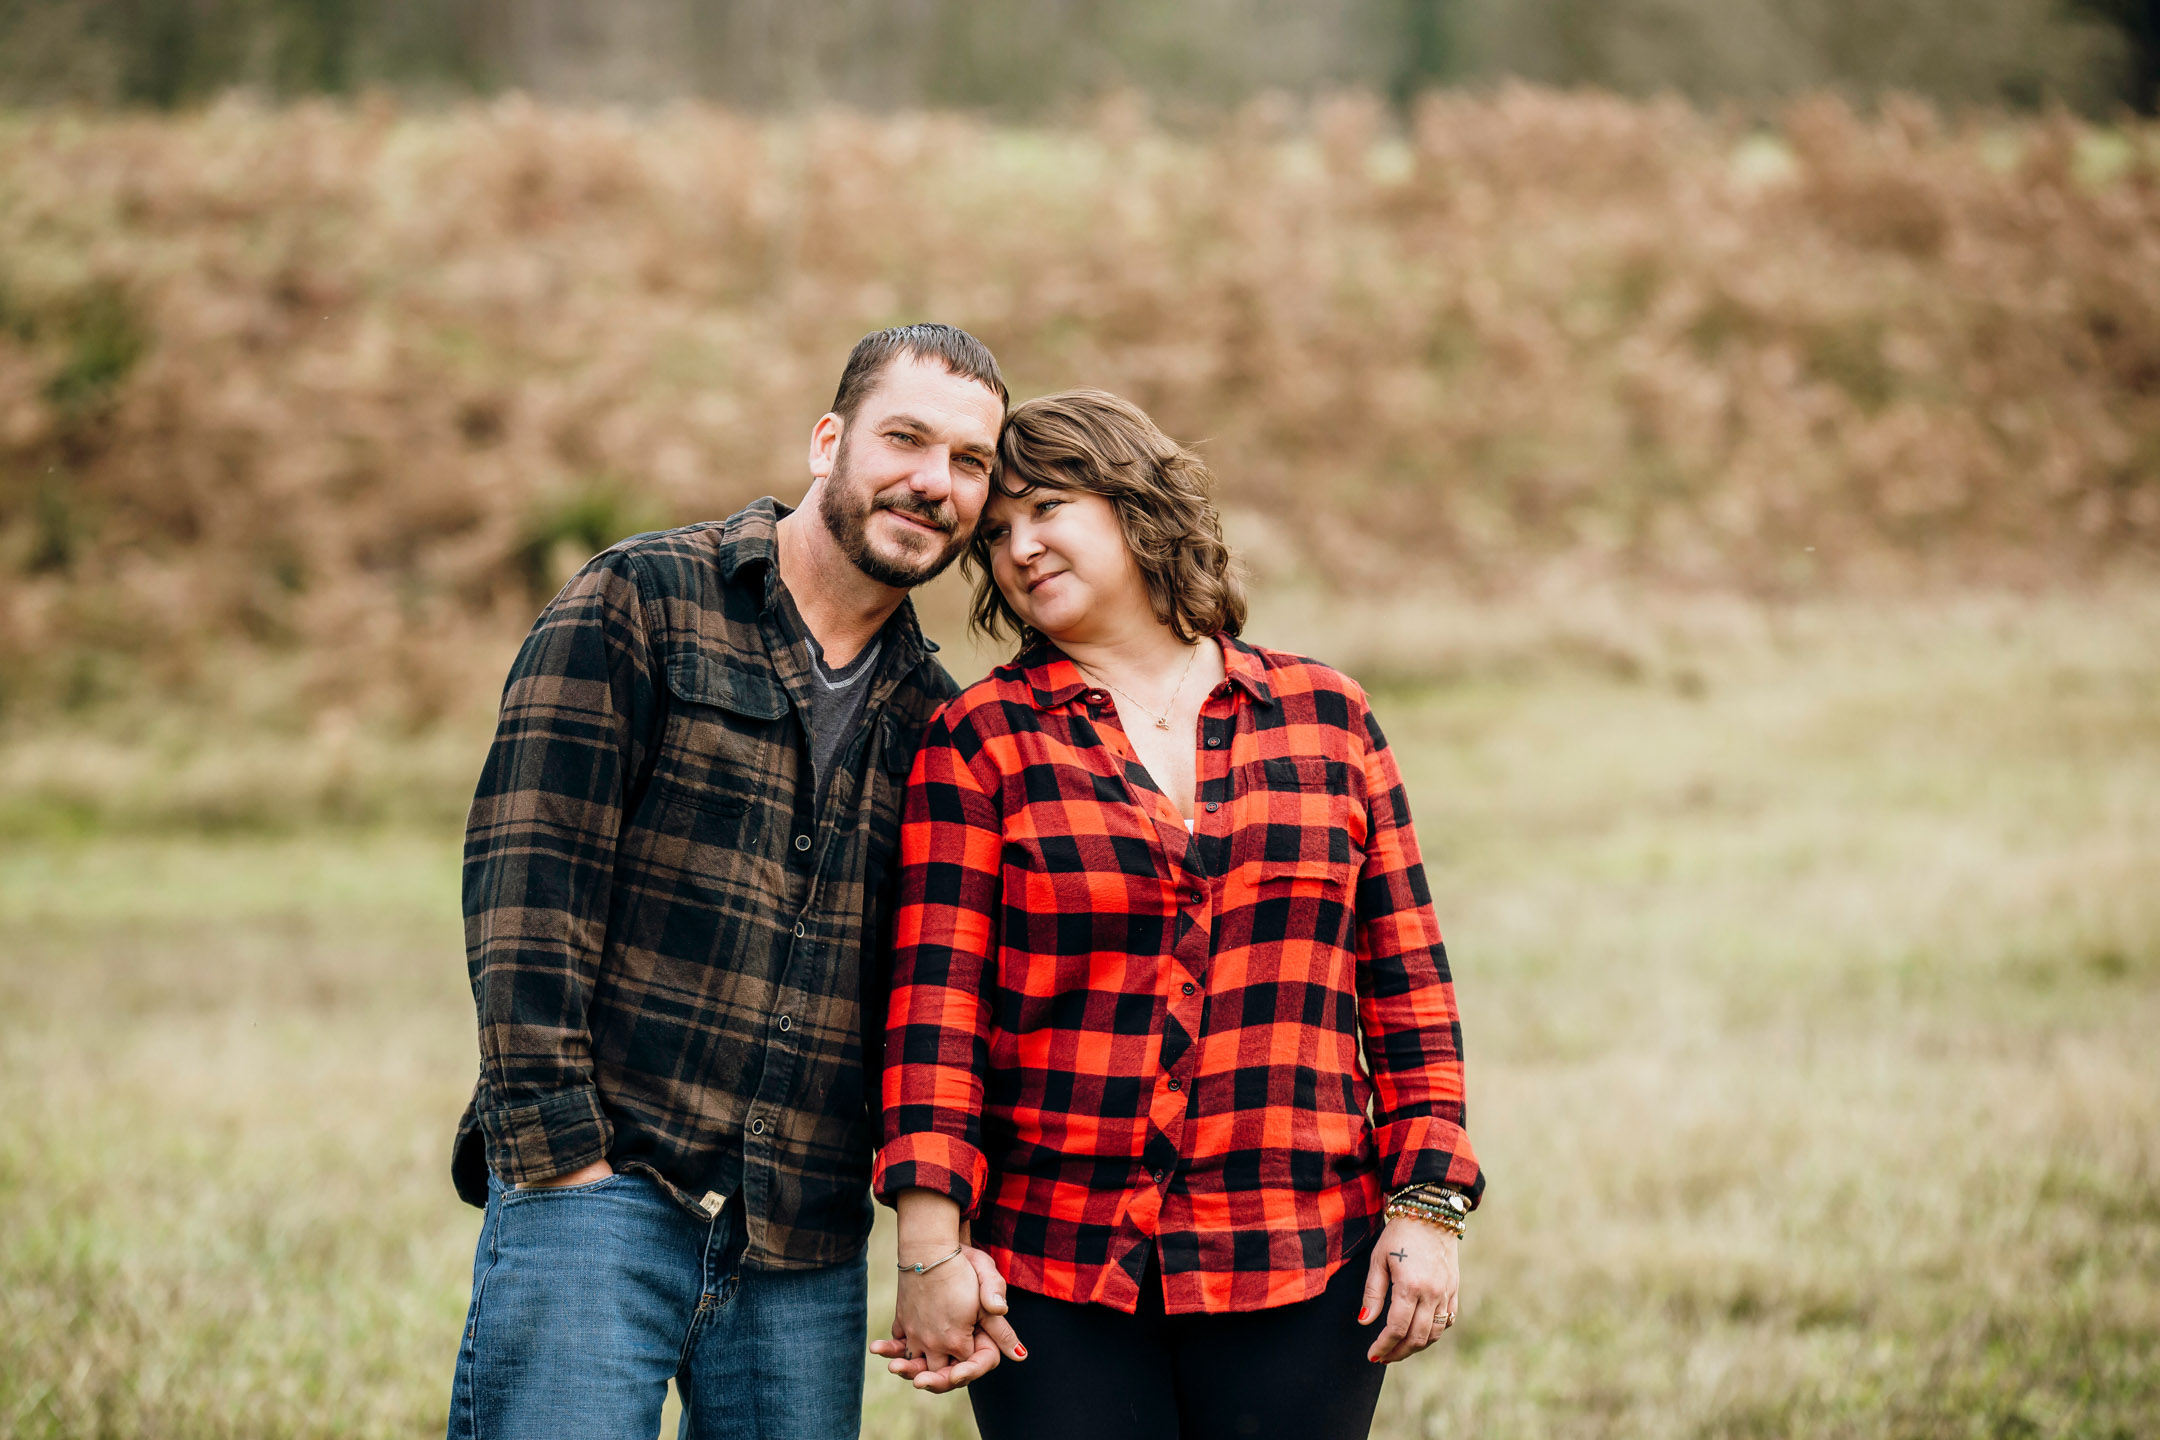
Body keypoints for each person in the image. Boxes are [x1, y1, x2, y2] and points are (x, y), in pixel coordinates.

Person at [870, 389, 1485, 1440]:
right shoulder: (980, 742)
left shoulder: (1328, 719)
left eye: (1049, 508)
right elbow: (937, 1018)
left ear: (1136, 504)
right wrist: (931, 1253)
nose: (1020, 547)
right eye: (999, 533)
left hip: (1300, 1253)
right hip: (1054, 1272)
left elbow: (1407, 986)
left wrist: (1427, 1209)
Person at [447, 323, 1024, 1440]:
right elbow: (525, 883)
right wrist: (561, 1156)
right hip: (604, 1194)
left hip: (797, 1242)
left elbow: (929, 989)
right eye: (904, 439)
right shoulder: (644, 602)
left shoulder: (937, 719)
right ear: (828, 442)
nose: (932, 483)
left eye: (968, 462)